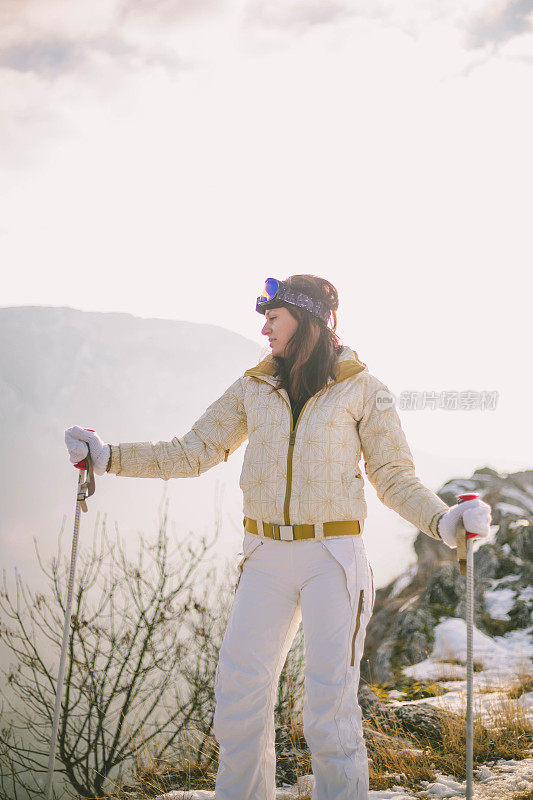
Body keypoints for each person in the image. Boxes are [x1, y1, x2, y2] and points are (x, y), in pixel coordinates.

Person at [65, 275, 492, 800]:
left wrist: (444, 521)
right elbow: (192, 450)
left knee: (330, 708)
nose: (264, 328)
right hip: (264, 555)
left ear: (306, 320)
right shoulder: (254, 386)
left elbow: (393, 475)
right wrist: (109, 458)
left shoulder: (363, 390)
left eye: (274, 317)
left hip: (332, 557)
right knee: (240, 697)